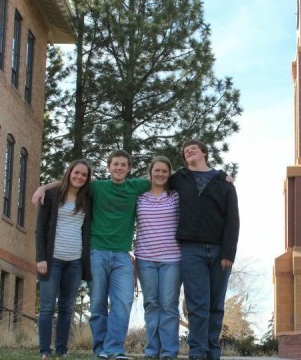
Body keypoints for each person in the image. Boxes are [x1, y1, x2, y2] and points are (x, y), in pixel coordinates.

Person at [33, 150, 151, 360]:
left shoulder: (125, 188)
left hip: (100, 257)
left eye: (123, 165)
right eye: (115, 164)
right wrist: (43, 187)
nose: (119, 168)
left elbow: (163, 178)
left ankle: (106, 349)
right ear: (109, 166)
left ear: (129, 168)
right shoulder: (86, 189)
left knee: (115, 303)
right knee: (83, 304)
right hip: (78, 256)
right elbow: (43, 224)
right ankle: (61, 350)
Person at [171, 139, 240, 360]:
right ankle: (198, 352)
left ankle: (213, 352)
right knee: (197, 304)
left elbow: (232, 219)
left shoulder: (224, 183)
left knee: (216, 305)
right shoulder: (179, 179)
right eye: (185, 150)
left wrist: (228, 253)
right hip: (192, 250)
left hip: (220, 252)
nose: (189, 151)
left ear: (204, 153)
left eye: (193, 148)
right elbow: (155, 180)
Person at [35, 159, 92, 359]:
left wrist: (43, 185)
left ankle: (62, 349)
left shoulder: (87, 198)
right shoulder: (52, 196)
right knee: (47, 307)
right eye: (76, 172)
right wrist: (41, 258)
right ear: (69, 173)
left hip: (75, 262)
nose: (79, 177)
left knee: (66, 308)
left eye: (84, 175)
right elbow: (40, 228)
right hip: (52, 261)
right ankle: (45, 350)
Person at [134, 156, 182, 360]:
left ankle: (169, 352)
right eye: (157, 170)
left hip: (173, 259)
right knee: (151, 303)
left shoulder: (176, 196)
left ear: (169, 174)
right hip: (145, 258)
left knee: (169, 305)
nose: (160, 174)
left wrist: (224, 178)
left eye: (164, 171)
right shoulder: (139, 197)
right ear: (150, 172)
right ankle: (152, 351)